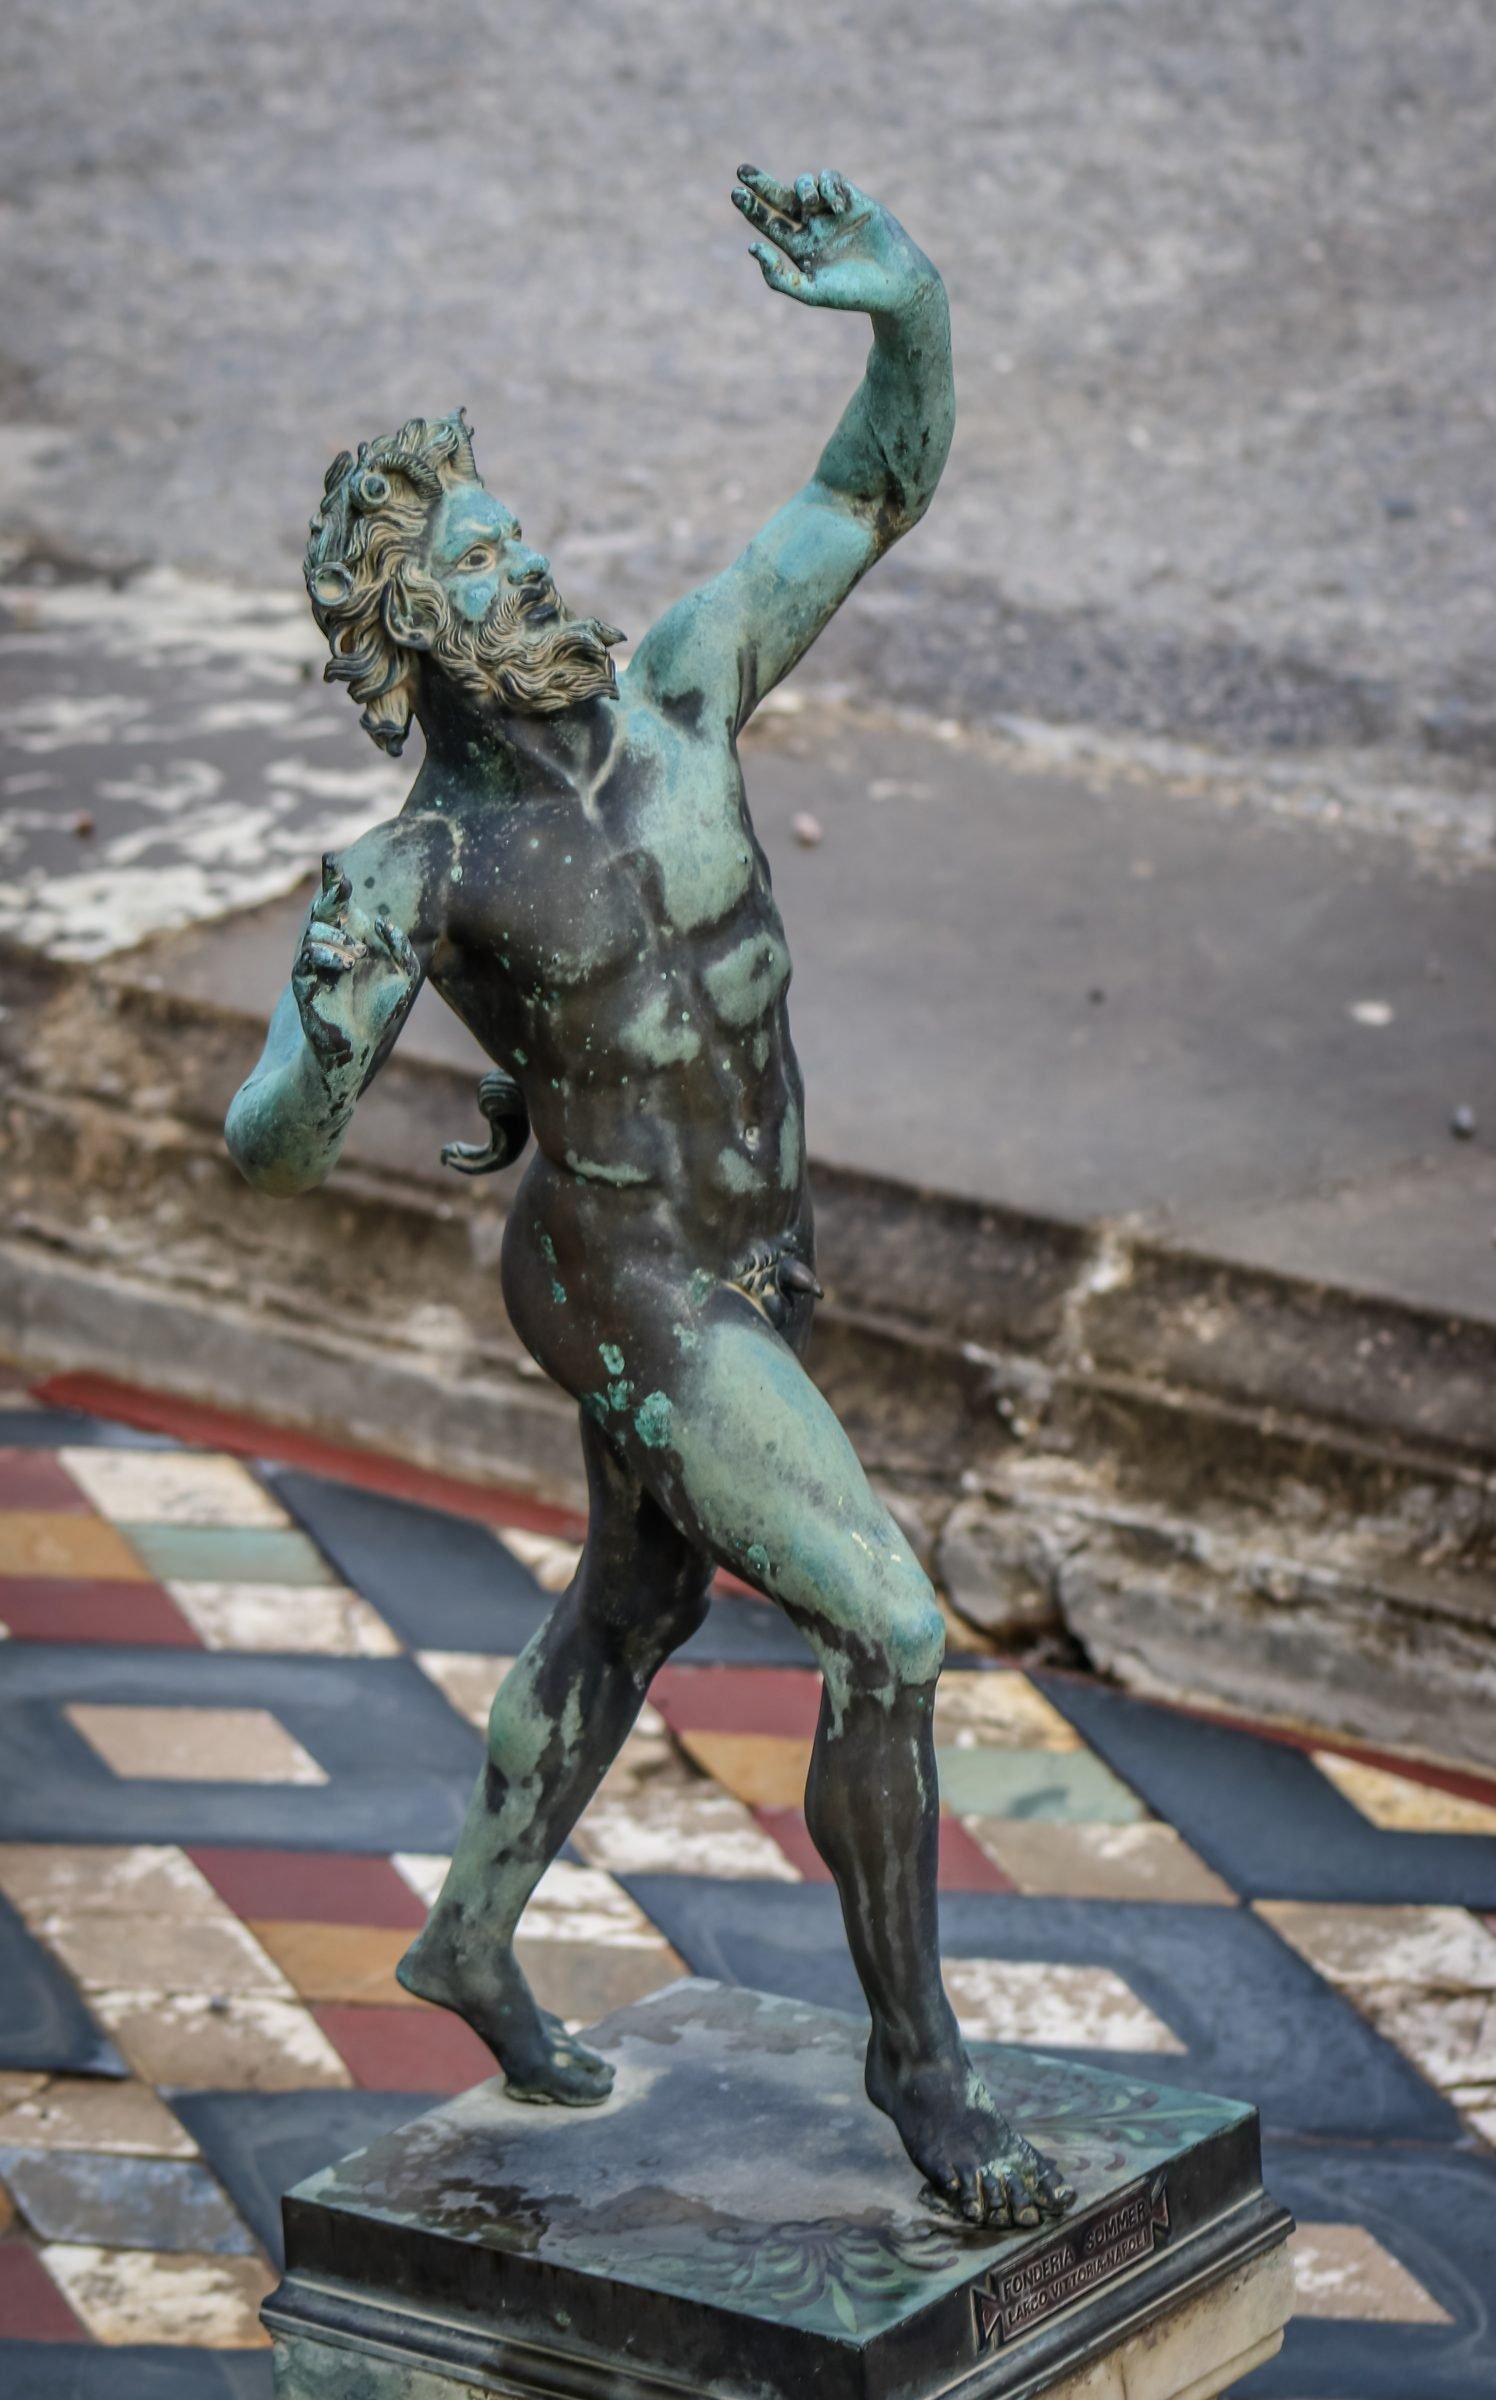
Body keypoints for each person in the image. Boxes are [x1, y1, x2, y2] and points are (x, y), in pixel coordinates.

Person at [226, 165, 1072, 2232]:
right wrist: (325, 1032)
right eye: (482, 560)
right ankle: (925, 2076)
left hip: (756, 1252)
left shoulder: (687, 689)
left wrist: (908, 310)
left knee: (640, 1594)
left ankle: (467, 1941)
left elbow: (864, 494)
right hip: (631, 1281)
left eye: (519, 536)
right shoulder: (417, 875)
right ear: (418, 632)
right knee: (886, 1625)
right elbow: (268, 1147)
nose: (531, 565)